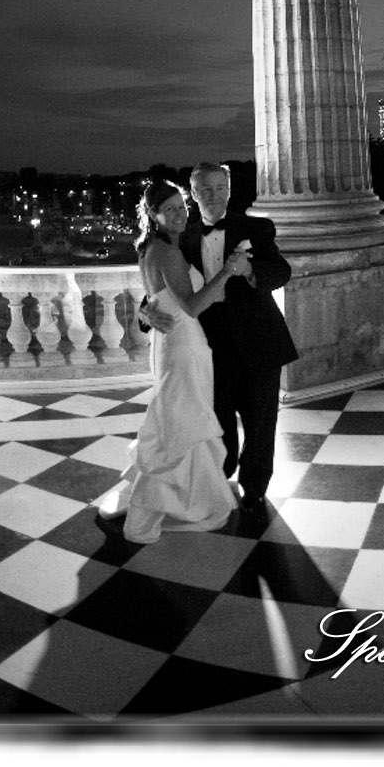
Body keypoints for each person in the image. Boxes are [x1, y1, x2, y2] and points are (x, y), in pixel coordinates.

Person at [97, 179, 250, 544]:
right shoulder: (166, 251)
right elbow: (192, 305)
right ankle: (173, 504)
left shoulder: (154, 246)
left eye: (182, 207)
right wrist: (228, 271)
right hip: (182, 344)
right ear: (153, 214)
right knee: (185, 421)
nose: (180, 214)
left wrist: (148, 311)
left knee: (178, 420)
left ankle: (186, 495)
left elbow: (157, 298)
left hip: (171, 344)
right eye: (170, 210)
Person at [147, 160, 296, 519]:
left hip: (260, 342)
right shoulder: (182, 238)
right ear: (194, 194)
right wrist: (144, 312)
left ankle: (255, 490)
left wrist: (250, 271)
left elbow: (282, 272)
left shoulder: (257, 228)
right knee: (219, 421)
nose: (214, 196)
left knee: (262, 422)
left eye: (220, 188)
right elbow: (165, 287)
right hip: (210, 346)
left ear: (229, 190)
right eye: (205, 190)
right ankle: (219, 480)